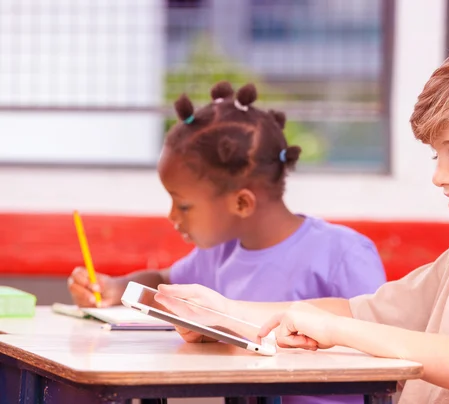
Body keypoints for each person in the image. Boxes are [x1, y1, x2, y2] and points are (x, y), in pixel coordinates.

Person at [156, 34, 449, 403]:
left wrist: (337, 330)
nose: (439, 176)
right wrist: (231, 314)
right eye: (437, 155)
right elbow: (363, 311)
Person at [68, 81, 386, 404]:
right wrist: (115, 287)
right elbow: (164, 281)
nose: (171, 216)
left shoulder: (343, 255)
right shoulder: (221, 252)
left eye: (184, 205)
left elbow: (383, 342)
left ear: (242, 204)